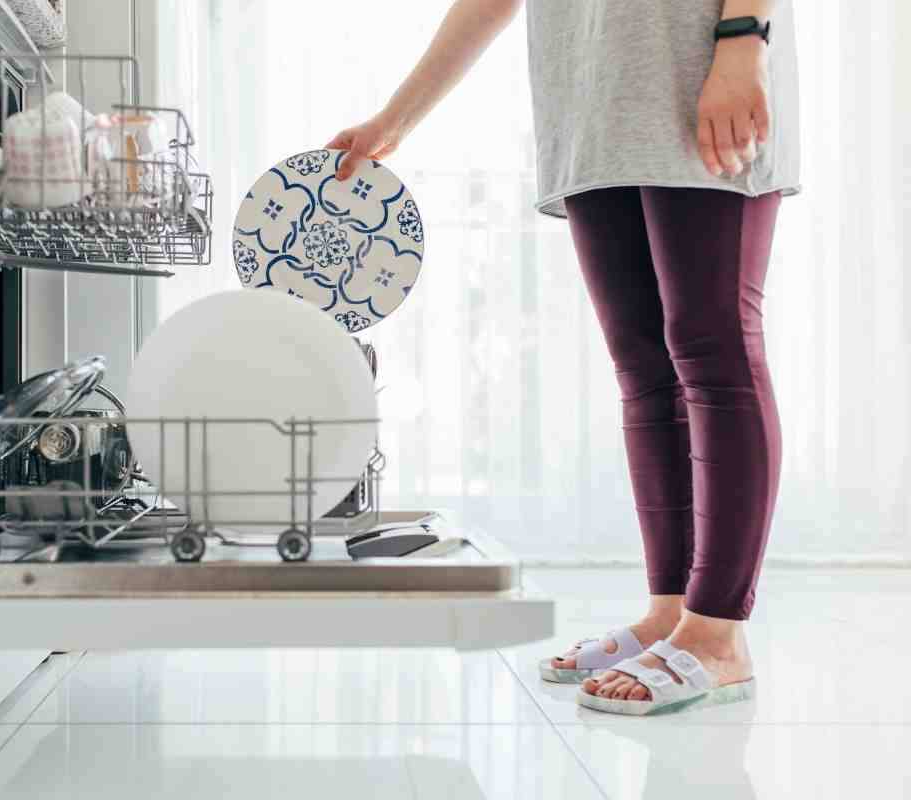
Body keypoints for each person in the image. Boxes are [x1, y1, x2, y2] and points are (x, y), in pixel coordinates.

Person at [328, 0, 798, 715]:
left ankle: (717, 632)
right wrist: (395, 120)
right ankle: (671, 610)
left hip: (704, 67)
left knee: (713, 349)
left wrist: (744, 37)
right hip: (591, 101)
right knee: (645, 373)